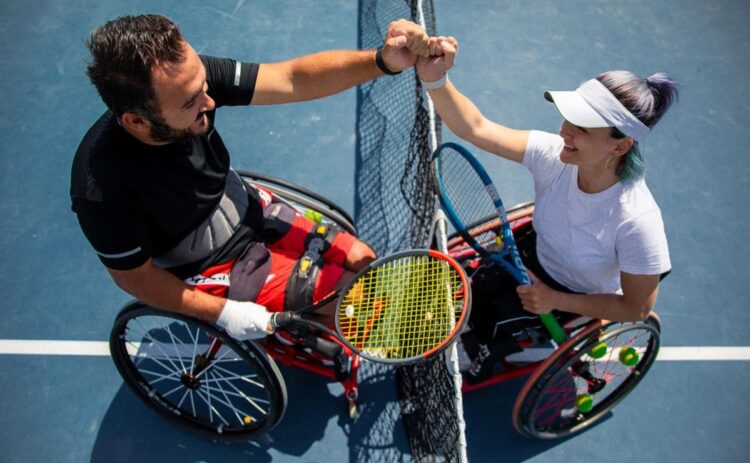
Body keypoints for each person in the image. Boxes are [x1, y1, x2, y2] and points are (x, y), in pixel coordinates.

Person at [71, 14, 437, 342]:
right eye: (190, 103)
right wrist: (222, 313)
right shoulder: (101, 190)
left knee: (362, 256)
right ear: (137, 121)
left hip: (243, 205)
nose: (210, 102)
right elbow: (135, 278)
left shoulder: (190, 83)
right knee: (348, 300)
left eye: (204, 86)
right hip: (207, 263)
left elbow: (291, 79)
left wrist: (381, 62)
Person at [416, 37, 678, 383]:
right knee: (470, 292)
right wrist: (435, 79)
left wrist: (554, 299)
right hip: (532, 254)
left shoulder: (637, 222)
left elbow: (636, 308)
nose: (563, 131)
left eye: (580, 128)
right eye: (567, 118)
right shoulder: (554, 154)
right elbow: (475, 127)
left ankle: (530, 347)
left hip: (574, 294)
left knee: (491, 323)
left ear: (621, 144)